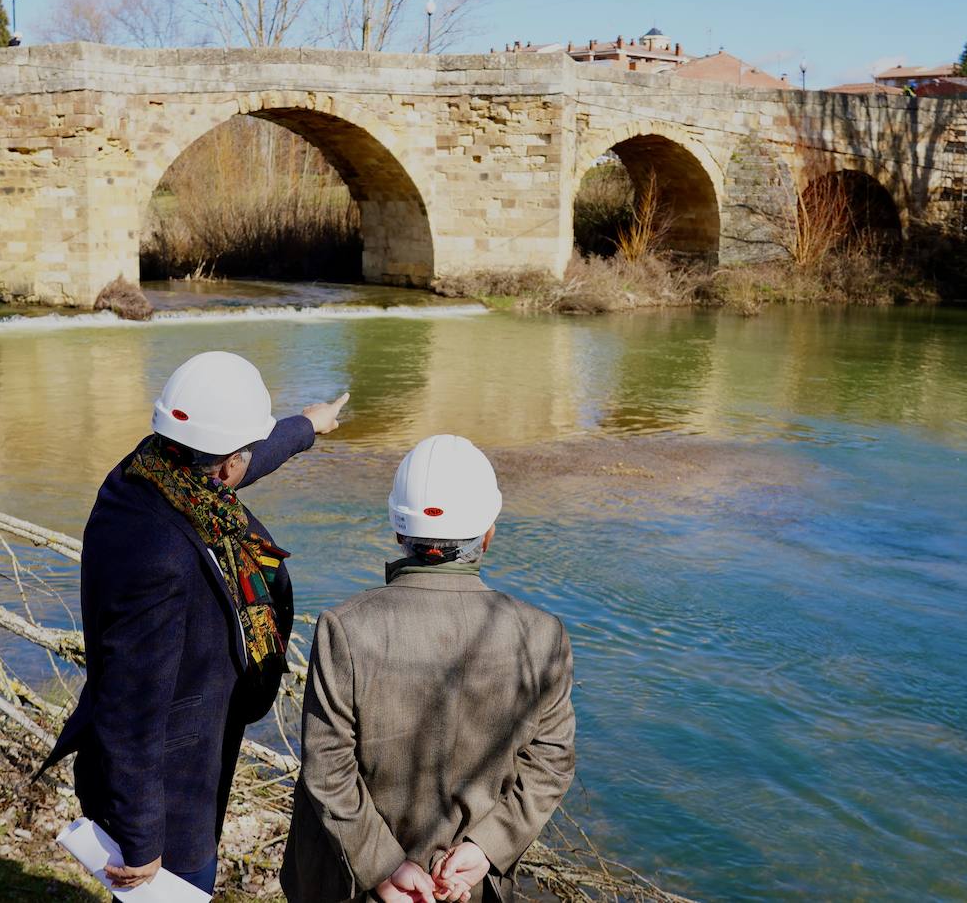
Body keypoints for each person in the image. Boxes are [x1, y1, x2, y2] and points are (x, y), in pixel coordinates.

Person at [38, 351, 348, 894]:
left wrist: (307, 426)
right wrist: (141, 839)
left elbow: (243, 453)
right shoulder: (159, 554)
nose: (246, 463)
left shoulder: (154, 467)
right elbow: (129, 699)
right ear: (226, 466)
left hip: (185, 754)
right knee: (185, 886)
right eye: (243, 455)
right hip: (169, 787)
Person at [281, 435, 576, 903]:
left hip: (351, 881)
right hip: (468, 885)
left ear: (399, 531)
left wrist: (383, 867)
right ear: (488, 533)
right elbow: (551, 761)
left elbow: (327, 768)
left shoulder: (346, 628)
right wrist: (486, 848)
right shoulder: (542, 635)